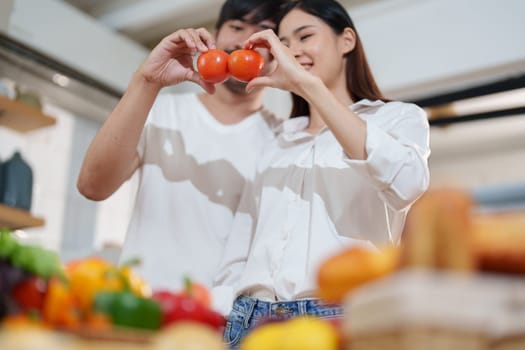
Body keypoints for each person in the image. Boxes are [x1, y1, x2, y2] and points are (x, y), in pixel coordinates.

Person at [212, 0, 431, 347]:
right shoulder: (277, 140)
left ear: (347, 40)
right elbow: (242, 243)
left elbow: (407, 184)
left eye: (304, 36)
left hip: (343, 314)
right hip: (250, 320)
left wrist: (310, 86)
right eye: (283, 44)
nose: (292, 52)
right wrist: (223, 310)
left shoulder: (397, 119)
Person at [77, 0, 285, 293]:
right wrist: (147, 80)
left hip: (227, 323)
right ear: (216, 33)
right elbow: (92, 186)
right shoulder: (161, 110)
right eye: (237, 27)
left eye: (263, 32)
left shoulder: (284, 139)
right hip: (139, 301)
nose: (244, 43)